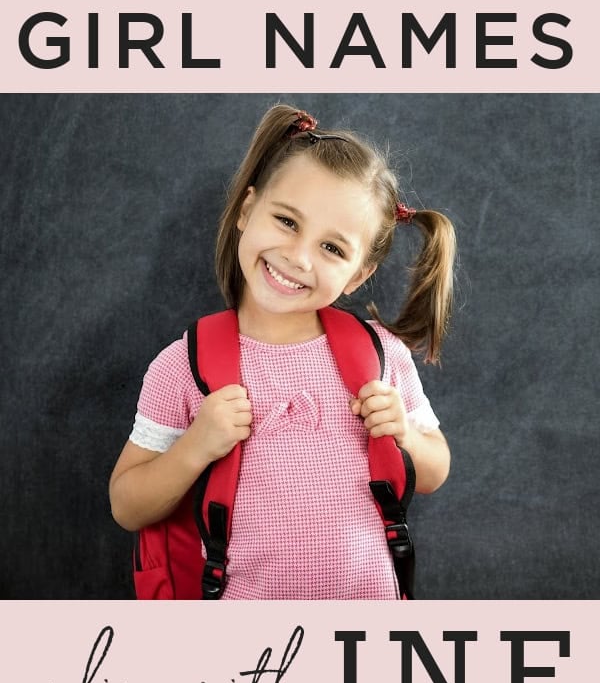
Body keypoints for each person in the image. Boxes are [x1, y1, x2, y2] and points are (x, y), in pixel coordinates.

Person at [109, 104, 456, 599]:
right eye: (287, 221)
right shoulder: (183, 365)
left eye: (333, 249)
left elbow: (434, 471)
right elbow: (127, 505)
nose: (298, 257)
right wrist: (195, 446)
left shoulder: (381, 355)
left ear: (358, 275)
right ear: (247, 210)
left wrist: (405, 434)